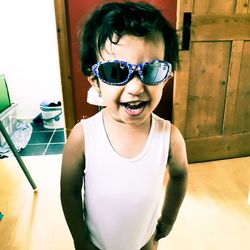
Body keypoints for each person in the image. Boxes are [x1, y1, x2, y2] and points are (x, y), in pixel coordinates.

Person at [60, 1, 188, 250]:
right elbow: (70, 192)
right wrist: (79, 239)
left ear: (167, 77)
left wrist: (167, 221)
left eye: (151, 70)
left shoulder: (169, 137)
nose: (136, 87)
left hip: (144, 243)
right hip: (95, 245)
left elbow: (180, 175)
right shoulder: (82, 137)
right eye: (116, 72)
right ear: (95, 81)